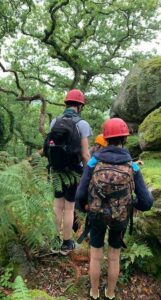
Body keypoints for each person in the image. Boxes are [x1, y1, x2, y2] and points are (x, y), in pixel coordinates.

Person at [75, 118, 153, 299]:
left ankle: (94, 292)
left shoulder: (94, 162)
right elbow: (147, 202)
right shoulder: (131, 165)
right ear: (124, 139)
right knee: (114, 256)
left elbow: (80, 194)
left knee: (95, 255)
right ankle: (110, 293)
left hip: (96, 215)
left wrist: (85, 207)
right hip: (120, 217)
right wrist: (132, 205)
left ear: (106, 138)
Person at [44, 89, 92, 255]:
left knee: (57, 205)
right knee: (69, 208)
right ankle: (67, 243)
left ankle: (54, 241)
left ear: (66, 103)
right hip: (73, 171)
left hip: (56, 170)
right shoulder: (82, 124)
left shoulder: (55, 122)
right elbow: (85, 154)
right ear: (80, 105)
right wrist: (89, 173)